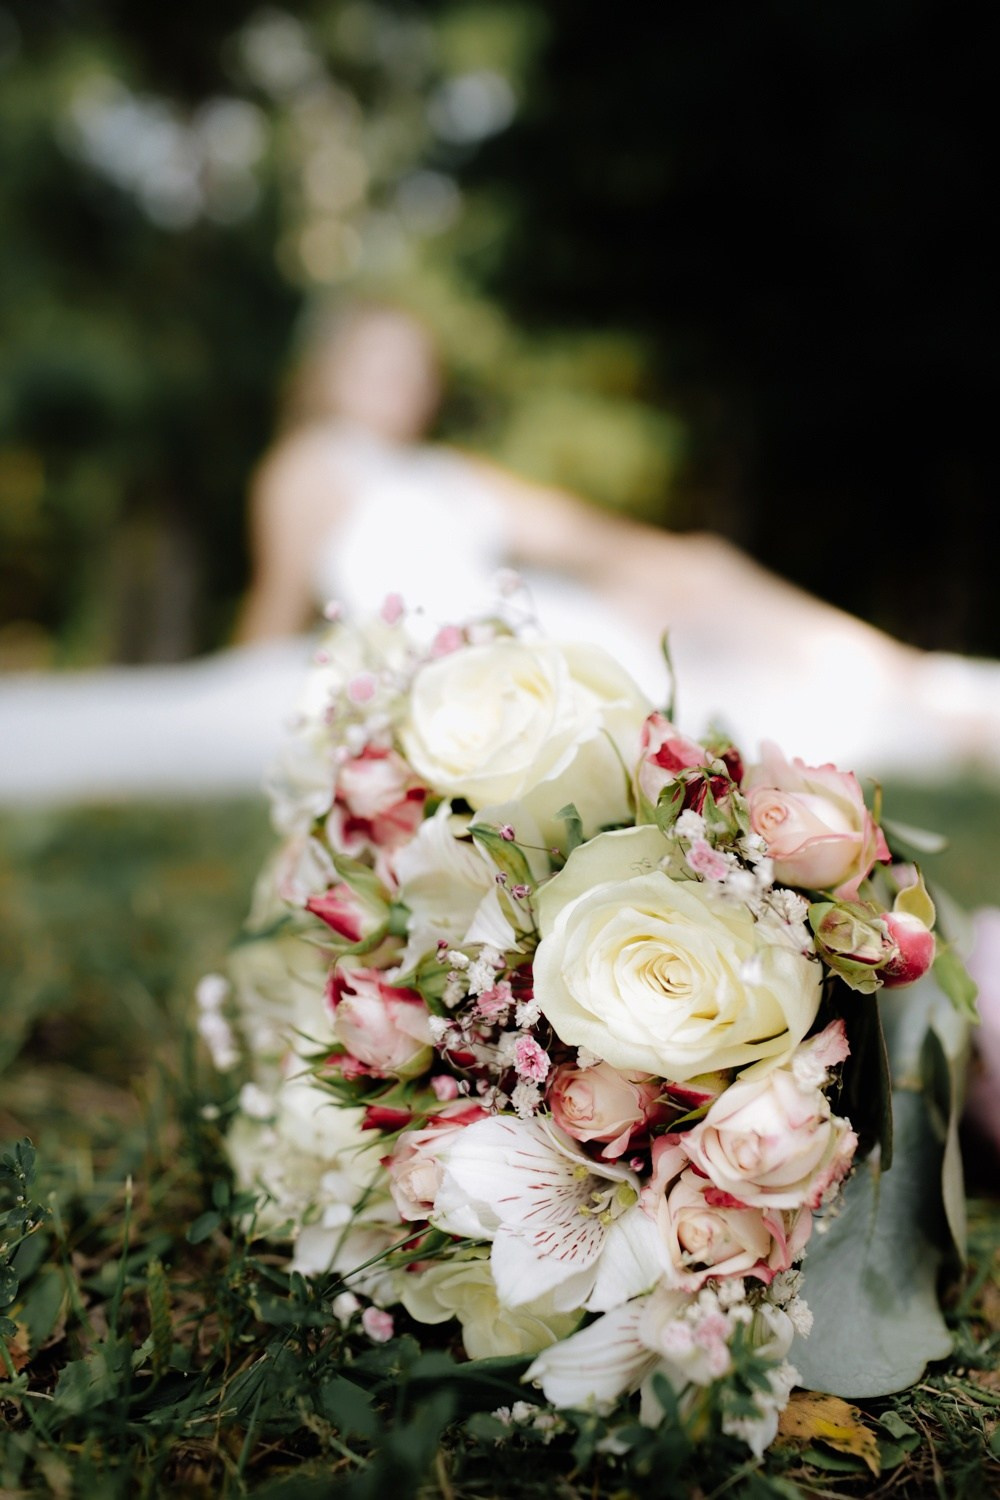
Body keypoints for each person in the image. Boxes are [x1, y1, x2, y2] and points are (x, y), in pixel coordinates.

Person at [2, 299, 1000, 807]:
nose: (401, 381)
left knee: (689, 585)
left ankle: (920, 684)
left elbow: (591, 536)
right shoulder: (310, 463)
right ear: (330, 370)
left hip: (529, 633)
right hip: (426, 671)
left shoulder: (451, 474)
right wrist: (243, 683)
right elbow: (276, 605)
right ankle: (928, 700)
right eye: (378, 360)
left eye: (414, 365)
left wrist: (669, 571)